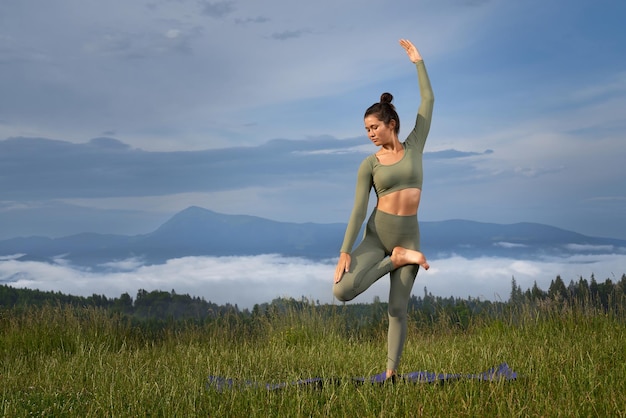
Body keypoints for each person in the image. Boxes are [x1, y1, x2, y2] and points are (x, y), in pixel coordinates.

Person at [332, 38, 434, 380]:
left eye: (374, 127)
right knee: (342, 291)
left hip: (410, 235)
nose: (370, 134)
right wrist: (346, 250)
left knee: (397, 309)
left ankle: (391, 374)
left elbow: (428, 100)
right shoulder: (369, 164)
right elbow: (359, 209)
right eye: (366, 130)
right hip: (379, 237)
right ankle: (397, 257)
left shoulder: (415, 145)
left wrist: (418, 62)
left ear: (391, 123)